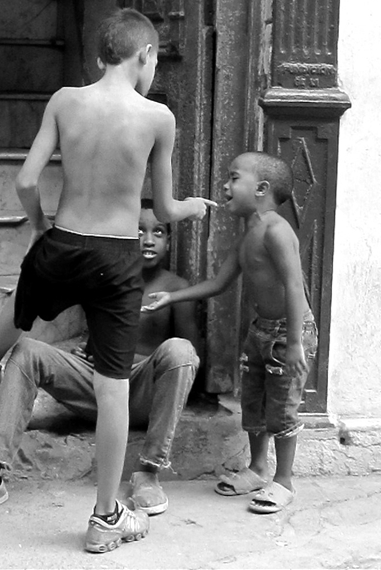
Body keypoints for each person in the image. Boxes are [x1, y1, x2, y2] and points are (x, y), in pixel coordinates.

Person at [0, 8, 215, 553]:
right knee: (112, 387)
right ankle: (103, 518)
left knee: (24, 303)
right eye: (154, 60)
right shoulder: (157, 116)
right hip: (116, 255)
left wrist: (44, 227)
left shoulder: (65, 100)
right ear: (146, 55)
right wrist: (190, 208)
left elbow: (26, 179)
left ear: (101, 55)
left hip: (65, 238)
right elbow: (161, 207)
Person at [0, 201, 200, 527]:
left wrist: (128, 363)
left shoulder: (176, 288)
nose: (148, 240)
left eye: (158, 232)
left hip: (137, 390)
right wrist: (89, 350)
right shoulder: (105, 272)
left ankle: (148, 472)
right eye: (138, 231)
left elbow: (191, 363)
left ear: (169, 240)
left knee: (181, 351)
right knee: (26, 351)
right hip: (94, 386)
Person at [143, 151, 318, 515]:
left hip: (289, 331)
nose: (225, 184)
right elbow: (219, 283)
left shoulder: (276, 230)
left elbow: (293, 287)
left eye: (234, 177)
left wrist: (297, 344)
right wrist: (171, 297)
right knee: (252, 402)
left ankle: (283, 481)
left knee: (282, 407)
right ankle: (257, 468)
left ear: (262, 189)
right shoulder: (247, 236)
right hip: (260, 331)